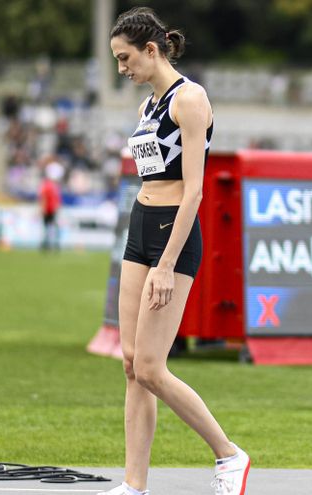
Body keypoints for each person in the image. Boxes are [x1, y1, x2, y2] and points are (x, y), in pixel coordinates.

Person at [99, 8, 250, 495]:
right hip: (140, 225)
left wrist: (165, 265)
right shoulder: (148, 105)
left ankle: (229, 454)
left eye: (125, 58)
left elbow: (194, 191)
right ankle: (134, 485)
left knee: (150, 367)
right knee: (130, 364)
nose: (121, 68)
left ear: (151, 49)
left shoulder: (190, 99)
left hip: (172, 233)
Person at [39, 161, 63, 252]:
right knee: (49, 228)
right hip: (49, 209)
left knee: (51, 228)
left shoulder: (53, 186)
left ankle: (51, 244)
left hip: (52, 210)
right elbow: (44, 198)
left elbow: (57, 199)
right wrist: (43, 208)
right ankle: (48, 244)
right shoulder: (48, 185)